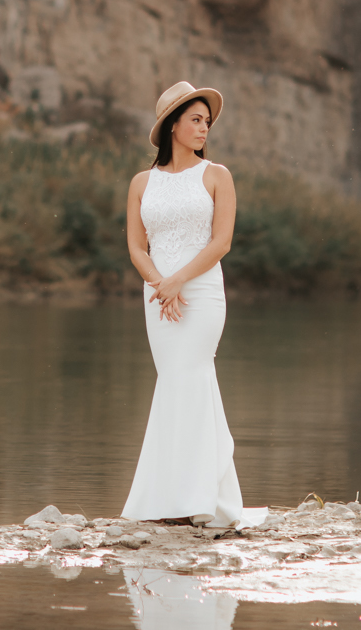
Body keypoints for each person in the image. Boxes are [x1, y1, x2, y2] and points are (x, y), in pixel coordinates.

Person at [121, 81, 267, 529]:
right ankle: (173, 498)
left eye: (207, 121)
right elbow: (135, 246)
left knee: (191, 376)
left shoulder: (217, 175)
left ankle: (196, 498)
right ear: (172, 126)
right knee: (172, 382)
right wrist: (160, 284)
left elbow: (221, 242)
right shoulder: (142, 182)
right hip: (157, 295)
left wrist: (179, 281)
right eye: (196, 120)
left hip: (201, 295)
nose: (205, 128)